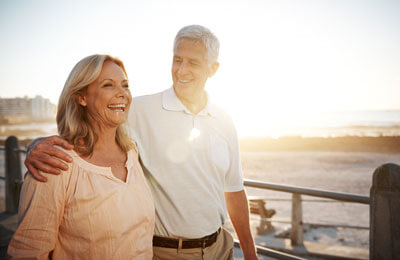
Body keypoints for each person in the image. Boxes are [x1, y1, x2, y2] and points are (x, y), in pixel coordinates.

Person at [25, 25, 258, 259]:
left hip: (220, 249)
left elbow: (235, 190)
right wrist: (35, 146)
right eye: (177, 60)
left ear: (213, 68)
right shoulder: (136, 109)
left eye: (193, 63)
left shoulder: (225, 120)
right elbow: (85, 126)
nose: (181, 70)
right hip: (164, 252)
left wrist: (250, 253)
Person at [8, 55, 155, 259]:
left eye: (125, 85)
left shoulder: (131, 151)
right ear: (82, 97)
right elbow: (29, 251)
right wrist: (35, 144)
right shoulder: (55, 163)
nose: (123, 94)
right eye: (108, 85)